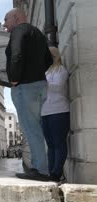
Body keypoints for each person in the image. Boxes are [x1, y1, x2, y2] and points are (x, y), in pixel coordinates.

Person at [4, 8, 53, 181]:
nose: (4, 25)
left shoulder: (19, 31)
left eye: (6, 20)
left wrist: (15, 79)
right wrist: (37, 73)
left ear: (16, 18)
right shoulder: (38, 33)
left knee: (31, 130)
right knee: (37, 128)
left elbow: (16, 55)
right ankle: (41, 168)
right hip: (40, 86)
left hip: (25, 87)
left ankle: (40, 170)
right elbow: (50, 59)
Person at [41, 47, 70, 182]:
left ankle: (56, 173)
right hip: (45, 112)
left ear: (54, 56)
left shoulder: (61, 70)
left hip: (59, 110)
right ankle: (51, 172)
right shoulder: (46, 72)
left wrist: (43, 81)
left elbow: (58, 87)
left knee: (59, 143)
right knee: (50, 144)